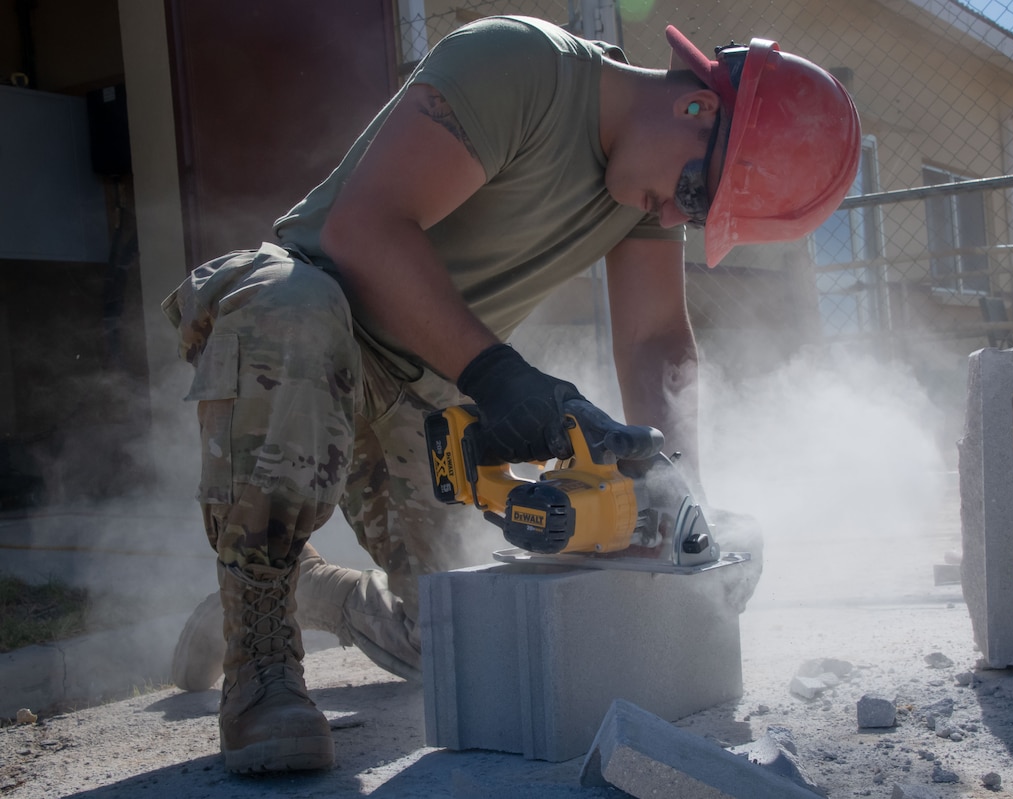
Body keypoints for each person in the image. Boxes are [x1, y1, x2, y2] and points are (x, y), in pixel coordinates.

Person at [163, 15, 861, 774]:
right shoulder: (519, 66)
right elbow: (365, 228)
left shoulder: (642, 187)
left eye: (692, 212)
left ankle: (308, 591)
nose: (672, 215)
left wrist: (679, 505)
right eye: (693, 191)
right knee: (292, 308)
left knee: (458, 639)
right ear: (697, 107)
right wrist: (500, 376)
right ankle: (259, 654)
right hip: (310, 317)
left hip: (427, 381)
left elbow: (656, 339)